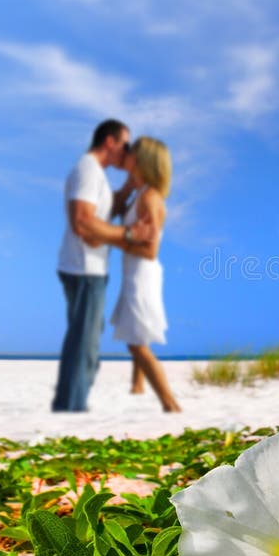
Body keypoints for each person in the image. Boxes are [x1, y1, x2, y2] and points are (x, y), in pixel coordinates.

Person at [52, 120, 155, 413]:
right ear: (109, 142)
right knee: (83, 349)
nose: (127, 151)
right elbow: (83, 222)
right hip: (84, 271)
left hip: (87, 270)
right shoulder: (87, 170)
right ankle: (70, 411)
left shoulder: (94, 174)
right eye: (125, 145)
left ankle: (72, 406)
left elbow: (106, 211)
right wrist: (130, 235)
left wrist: (128, 188)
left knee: (87, 345)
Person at [110, 136, 182, 413]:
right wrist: (128, 186)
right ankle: (137, 387)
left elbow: (150, 249)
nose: (125, 155)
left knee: (137, 342)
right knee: (135, 331)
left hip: (142, 272)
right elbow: (116, 210)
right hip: (134, 272)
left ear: (142, 161)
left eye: (131, 153)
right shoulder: (139, 194)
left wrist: (113, 239)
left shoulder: (150, 198)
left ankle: (170, 404)